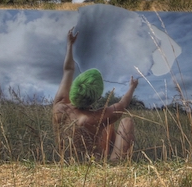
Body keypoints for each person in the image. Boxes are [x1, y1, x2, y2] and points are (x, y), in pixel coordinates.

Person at [52, 28, 139, 161]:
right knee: (126, 122)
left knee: (109, 126)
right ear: (97, 98)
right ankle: (115, 165)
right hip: (92, 166)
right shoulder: (96, 118)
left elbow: (68, 69)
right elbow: (122, 104)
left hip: (65, 162)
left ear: (75, 87)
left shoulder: (59, 106)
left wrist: (70, 45)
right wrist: (132, 87)